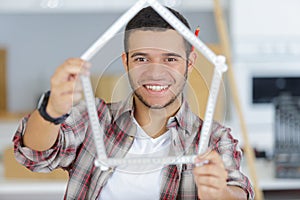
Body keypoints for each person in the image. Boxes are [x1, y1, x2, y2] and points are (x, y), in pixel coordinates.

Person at [13, 6, 254, 200]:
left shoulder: (214, 139)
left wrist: (219, 193)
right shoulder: (94, 119)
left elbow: (239, 191)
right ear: (126, 61)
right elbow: (35, 155)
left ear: (190, 63)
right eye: (142, 58)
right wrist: (52, 110)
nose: (155, 73)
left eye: (170, 59)